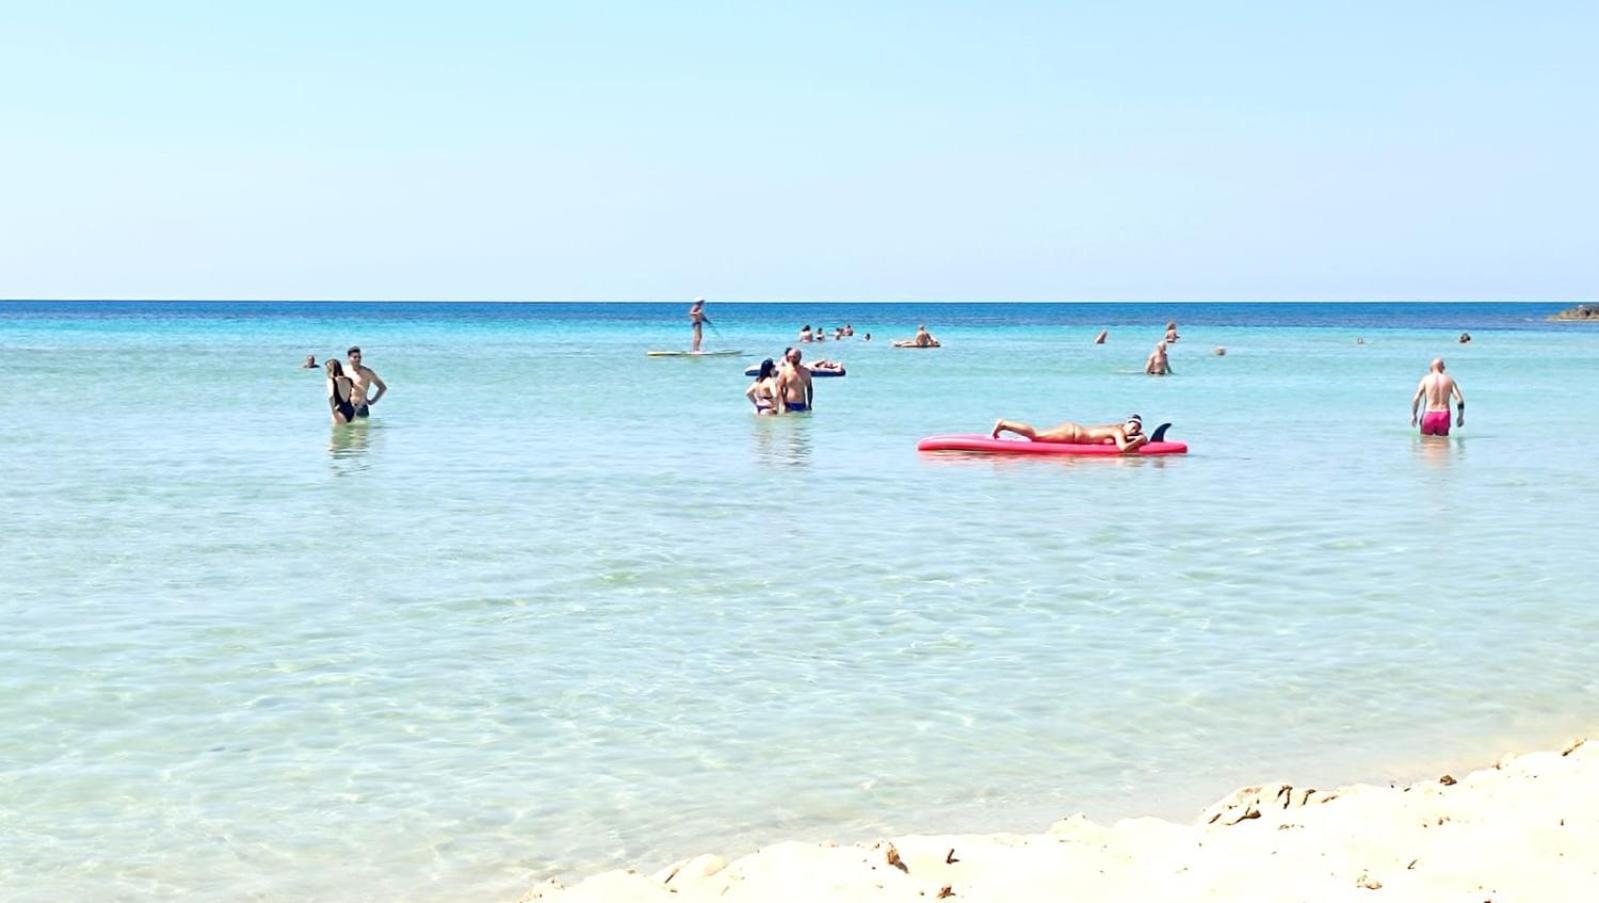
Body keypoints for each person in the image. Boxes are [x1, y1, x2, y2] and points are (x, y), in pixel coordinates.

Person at [990, 414, 1150, 453]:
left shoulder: (1116, 430)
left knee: (1036, 437)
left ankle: (1005, 425)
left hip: (1072, 431)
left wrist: (1134, 437)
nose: (1134, 429)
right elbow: (1122, 449)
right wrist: (1140, 440)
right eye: (1133, 425)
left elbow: (1109, 441)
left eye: (1137, 428)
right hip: (1071, 434)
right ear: (1126, 423)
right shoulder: (1117, 430)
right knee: (1036, 436)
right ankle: (1004, 424)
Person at [1411, 358, 1465, 436]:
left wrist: (1414, 415)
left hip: (1429, 414)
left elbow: (1416, 398)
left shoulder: (1426, 379)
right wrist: (1460, 417)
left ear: (1431, 368)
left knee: (1425, 444)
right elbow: (1459, 400)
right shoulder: (1449, 380)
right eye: (1443, 367)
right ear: (1442, 368)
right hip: (1444, 415)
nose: (1445, 368)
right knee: (1443, 444)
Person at [345, 346, 387, 417]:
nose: (357, 359)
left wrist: (372, 401)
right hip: (347, 407)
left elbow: (382, 387)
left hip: (361, 408)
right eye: (355, 357)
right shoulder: (344, 371)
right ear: (349, 358)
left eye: (359, 357)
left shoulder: (367, 372)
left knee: (362, 427)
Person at [776, 347, 814, 413]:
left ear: (800, 357)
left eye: (794, 357)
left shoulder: (806, 372)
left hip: (802, 405)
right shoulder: (784, 371)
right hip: (788, 404)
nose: (791, 359)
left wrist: (810, 404)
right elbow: (779, 388)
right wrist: (782, 405)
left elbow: (809, 389)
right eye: (790, 357)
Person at [326, 359, 357, 425]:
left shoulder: (331, 380)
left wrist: (333, 411)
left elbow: (331, 396)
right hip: (351, 409)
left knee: (337, 434)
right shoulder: (349, 379)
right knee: (350, 434)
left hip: (339, 410)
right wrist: (356, 407)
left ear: (330, 369)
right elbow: (359, 392)